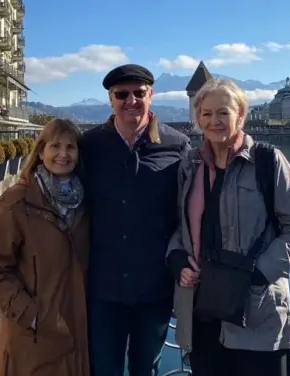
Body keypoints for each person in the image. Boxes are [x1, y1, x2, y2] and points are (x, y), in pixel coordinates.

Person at [166, 78, 290, 376]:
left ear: (240, 115)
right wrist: (178, 260)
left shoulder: (268, 161)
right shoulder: (190, 166)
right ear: (197, 118)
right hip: (201, 308)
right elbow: (179, 227)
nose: (214, 121)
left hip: (254, 311)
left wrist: (256, 276)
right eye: (206, 113)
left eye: (223, 112)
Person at [80, 63, 191, 376]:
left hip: (154, 288)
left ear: (151, 95)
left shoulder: (177, 145)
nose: (131, 100)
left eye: (139, 93)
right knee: (103, 369)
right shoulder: (89, 145)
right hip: (103, 288)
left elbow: (190, 211)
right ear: (111, 99)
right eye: (122, 94)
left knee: (145, 369)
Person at [0, 118, 90, 376]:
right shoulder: (17, 201)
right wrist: (32, 315)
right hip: (32, 338)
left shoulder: (85, 201)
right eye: (55, 146)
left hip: (76, 334)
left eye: (70, 147)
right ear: (41, 152)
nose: (63, 154)